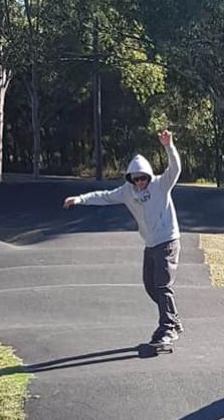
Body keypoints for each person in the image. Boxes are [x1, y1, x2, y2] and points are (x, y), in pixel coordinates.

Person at [63, 130, 183, 346]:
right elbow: (104, 197)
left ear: (148, 175)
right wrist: (80, 199)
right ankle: (172, 320)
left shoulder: (160, 185)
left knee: (162, 284)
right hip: (150, 243)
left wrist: (168, 146)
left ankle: (168, 328)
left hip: (168, 240)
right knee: (150, 285)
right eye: (135, 179)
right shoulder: (127, 192)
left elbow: (175, 168)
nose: (139, 183)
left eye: (143, 178)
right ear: (130, 178)